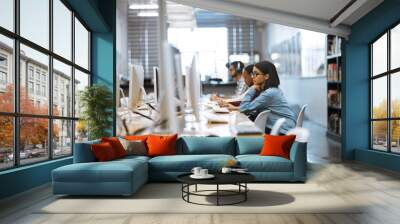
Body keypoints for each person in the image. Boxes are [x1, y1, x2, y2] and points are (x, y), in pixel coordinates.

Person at [239, 61, 296, 134]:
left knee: (242, 133)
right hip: (281, 128)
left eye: (256, 74)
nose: (253, 77)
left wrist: (252, 89)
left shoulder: (269, 93)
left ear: (266, 76)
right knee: (244, 130)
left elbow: (243, 108)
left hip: (282, 131)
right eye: (252, 74)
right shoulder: (271, 90)